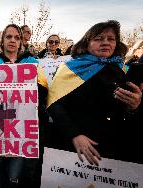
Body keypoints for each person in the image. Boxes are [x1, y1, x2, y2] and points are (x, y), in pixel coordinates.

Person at [47, 20, 143, 165]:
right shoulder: (68, 69)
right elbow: (54, 105)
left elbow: (126, 113)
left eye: (111, 39)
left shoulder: (123, 70)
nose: (105, 43)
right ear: (87, 43)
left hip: (113, 150)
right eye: (98, 39)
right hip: (74, 147)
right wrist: (74, 135)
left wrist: (135, 106)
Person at [0, 24, 48, 188]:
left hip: (22, 126)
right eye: (8, 37)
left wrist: (17, 80)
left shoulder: (33, 63)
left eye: (17, 37)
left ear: (21, 41)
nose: (12, 40)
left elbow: (42, 92)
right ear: (2, 40)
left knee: (16, 173)